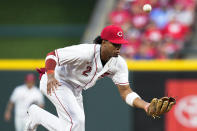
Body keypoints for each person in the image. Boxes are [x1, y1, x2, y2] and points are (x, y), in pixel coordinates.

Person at [25, 25, 175, 131]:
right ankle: (36, 115)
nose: (118, 47)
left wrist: (145, 105)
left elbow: (126, 92)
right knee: (77, 120)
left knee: (73, 128)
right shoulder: (85, 52)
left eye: (120, 44)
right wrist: (51, 75)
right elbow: (53, 55)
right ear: (104, 42)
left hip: (75, 90)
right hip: (57, 81)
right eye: (115, 44)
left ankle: (37, 115)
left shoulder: (118, 64)